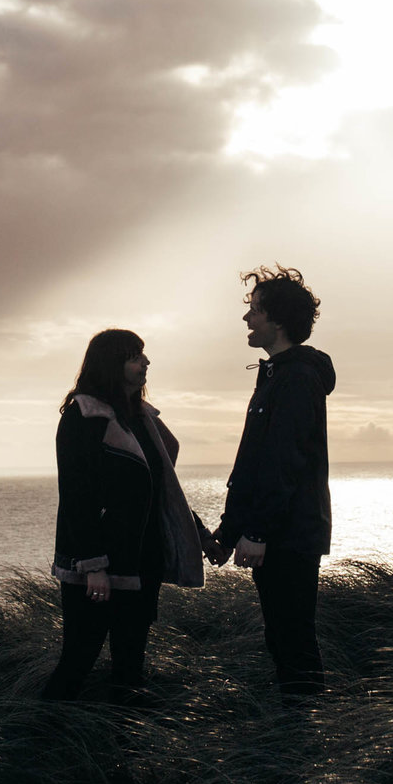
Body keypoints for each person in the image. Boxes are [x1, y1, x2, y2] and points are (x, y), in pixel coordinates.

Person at [44, 328, 207, 701]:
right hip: (96, 566)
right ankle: (41, 742)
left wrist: (199, 534)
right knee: (78, 660)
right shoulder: (83, 416)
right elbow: (76, 495)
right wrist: (92, 564)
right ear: (112, 363)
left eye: (143, 355)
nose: (146, 362)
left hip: (140, 560)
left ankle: (124, 747)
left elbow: (162, 490)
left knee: (131, 664)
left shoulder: (142, 419)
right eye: (135, 356)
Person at [217, 266, 334, 699]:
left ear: (277, 319)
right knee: (281, 637)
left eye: (254, 310)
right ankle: (297, 736)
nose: (248, 319)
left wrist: (258, 531)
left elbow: (284, 464)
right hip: (278, 534)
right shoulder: (276, 374)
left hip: (290, 535)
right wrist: (231, 532)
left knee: (293, 640)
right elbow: (253, 463)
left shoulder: (297, 378)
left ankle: (304, 744)